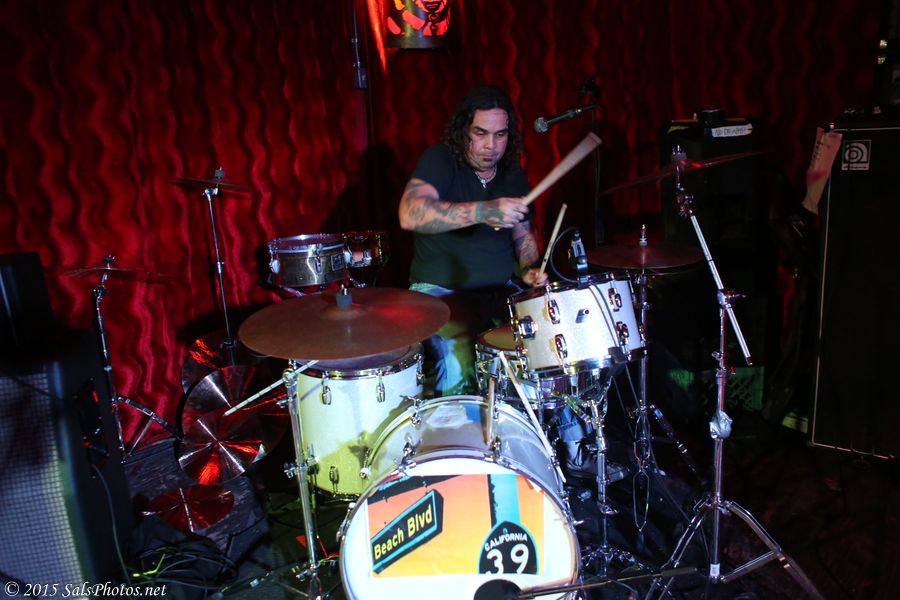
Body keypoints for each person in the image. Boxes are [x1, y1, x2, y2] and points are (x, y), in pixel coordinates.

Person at [398, 84, 547, 398]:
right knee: (458, 362)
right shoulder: (441, 160)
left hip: (500, 291)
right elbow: (410, 214)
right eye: (481, 133)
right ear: (464, 130)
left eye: (500, 135)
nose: (491, 146)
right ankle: (458, 426)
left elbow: (523, 235)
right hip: (440, 292)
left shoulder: (512, 175)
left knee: (543, 344)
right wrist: (483, 211)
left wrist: (530, 268)